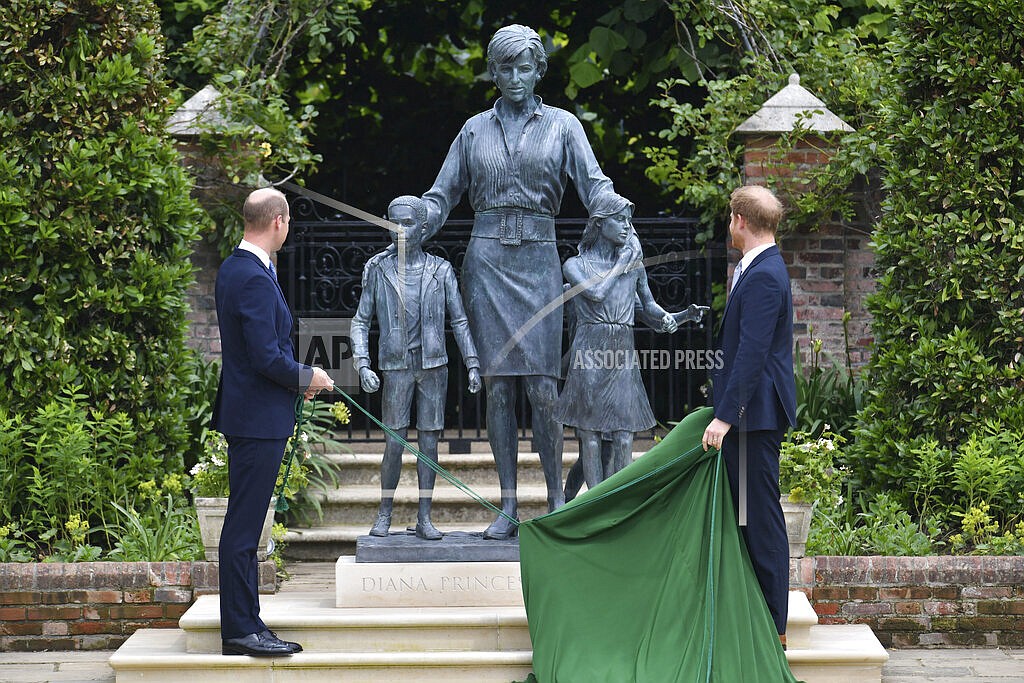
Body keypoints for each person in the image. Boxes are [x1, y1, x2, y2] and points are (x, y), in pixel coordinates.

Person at [419, 24, 620, 539]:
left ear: (538, 72)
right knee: (499, 389)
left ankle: (555, 498)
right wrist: (417, 220)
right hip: (486, 265)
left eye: (523, 67)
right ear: (492, 72)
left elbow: (594, 186)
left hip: (538, 261)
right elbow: (442, 196)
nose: (514, 77)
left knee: (543, 387)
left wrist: (620, 218)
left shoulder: (563, 126)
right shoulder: (472, 131)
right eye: (504, 67)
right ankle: (508, 505)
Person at [212, 187, 334, 657]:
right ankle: (241, 631)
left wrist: (295, 381)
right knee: (243, 528)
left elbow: (256, 352)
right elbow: (265, 357)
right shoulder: (252, 277)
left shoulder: (235, 269)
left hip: (254, 413)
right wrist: (312, 376)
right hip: (257, 419)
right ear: (278, 221)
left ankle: (248, 623)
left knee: (244, 526)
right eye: (288, 223)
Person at [554, 193, 708, 491]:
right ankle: (590, 506)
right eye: (620, 220)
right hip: (590, 348)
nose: (626, 227)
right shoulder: (575, 265)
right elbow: (596, 295)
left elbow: (649, 309)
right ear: (599, 224)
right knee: (591, 435)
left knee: (624, 433)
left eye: (629, 221)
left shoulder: (633, 267)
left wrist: (682, 316)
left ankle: (618, 503)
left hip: (621, 349)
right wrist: (622, 262)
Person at [351, 195, 482, 540]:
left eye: (407, 223)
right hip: (396, 367)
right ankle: (385, 513)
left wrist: (472, 362)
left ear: (423, 228)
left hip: (433, 366)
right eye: (393, 222)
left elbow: (460, 321)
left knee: (429, 444)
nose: (399, 230)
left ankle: (425, 516)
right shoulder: (378, 271)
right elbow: (360, 322)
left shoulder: (440, 270)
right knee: (393, 443)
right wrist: (362, 363)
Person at [701, 184, 796, 646]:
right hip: (750, 413)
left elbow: (753, 353)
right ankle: (756, 617)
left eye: (729, 219)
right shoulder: (756, 267)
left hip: (754, 416)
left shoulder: (763, 274)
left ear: (739, 221)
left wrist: (725, 416)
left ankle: (775, 629)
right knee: (745, 516)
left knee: (760, 517)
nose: (729, 225)